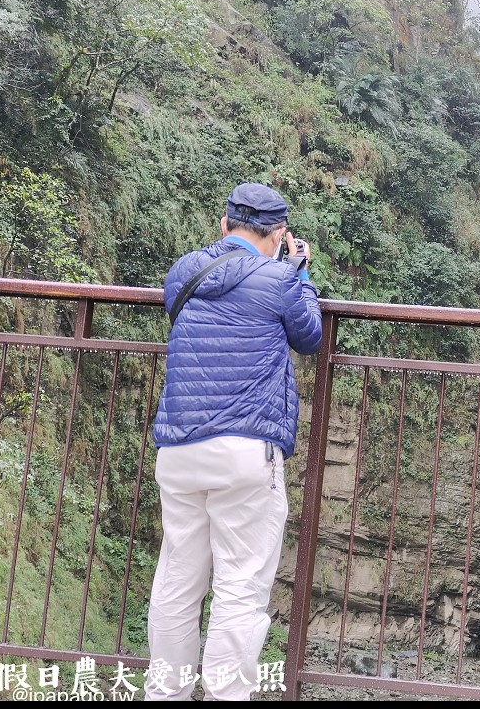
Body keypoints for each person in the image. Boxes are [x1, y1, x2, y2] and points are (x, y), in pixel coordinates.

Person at [147, 182, 324, 701]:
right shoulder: (281, 278)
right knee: (239, 589)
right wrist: (302, 271)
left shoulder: (185, 270)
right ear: (279, 236)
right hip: (246, 453)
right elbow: (310, 336)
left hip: (179, 449)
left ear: (224, 225)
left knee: (178, 582)